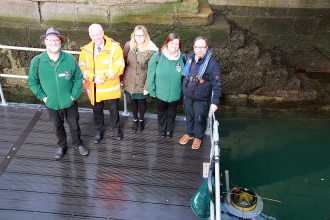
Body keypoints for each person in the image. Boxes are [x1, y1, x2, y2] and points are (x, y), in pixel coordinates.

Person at [28, 27, 89, 160]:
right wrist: (43, 97)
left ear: (60, 41)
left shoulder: (69, 58)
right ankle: (61, 146)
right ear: (45, 42)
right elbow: (33, 82)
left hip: (70, 101)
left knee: (74, 125)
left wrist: (73, 95)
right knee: (57, 126)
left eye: (56, 40)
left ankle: (78, 144)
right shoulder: (37, 61)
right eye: (50, 40)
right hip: (51, 102)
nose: (53, 43)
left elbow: (78, 77)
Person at [79, 24, 125, 144]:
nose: (96, 37)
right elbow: (82, 67)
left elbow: (119, 66)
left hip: (110, 86)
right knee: (97, 111)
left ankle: (116, 129)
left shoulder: (115, 47)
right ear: (90, 35)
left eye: (98, 34)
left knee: (114, 110)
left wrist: (103, 77)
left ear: (103, 32)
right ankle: (99, 131)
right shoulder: (86, 50)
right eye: (93, 35)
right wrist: (93, 78)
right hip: (94, 87)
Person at [179, 36, 222, 149]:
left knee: (199, 117)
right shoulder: (189, 58)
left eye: (202, 47)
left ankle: (198, 137)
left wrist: (215, 102)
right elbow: (185, 76)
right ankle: (189, 133)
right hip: (188, 95)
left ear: (207, 48)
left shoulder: (213, 64)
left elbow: (217, 84)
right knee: (189, 115)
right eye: (197, 47)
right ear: (193, 47)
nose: (199, 49)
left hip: (202, 97)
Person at [147, 33, 186, 139]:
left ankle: (169, 130)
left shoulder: (182, 57)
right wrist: (152, 90)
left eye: (177, 44)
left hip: (175, 92)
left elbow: (185, 76)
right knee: (161, 111)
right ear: (167, 43)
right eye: (172, 43)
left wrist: (183, 90)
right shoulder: (158, 56)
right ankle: (162, 130)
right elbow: (150, 74)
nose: (174, 46)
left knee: (172, 112)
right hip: (160, 92)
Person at [122, 25, 158, 132]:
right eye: (137, 35)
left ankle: (141, 120)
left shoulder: (152, 50)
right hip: (130, 77)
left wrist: (148, 84)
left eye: (141, 35)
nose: (139, 37)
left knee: (142, 101)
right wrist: (122, 78)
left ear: (145, 36)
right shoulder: (128, 45)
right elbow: (123, 61)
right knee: (133, 100)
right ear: (134, 35)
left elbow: (152, 69)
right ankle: (135, 120)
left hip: (143, 78)